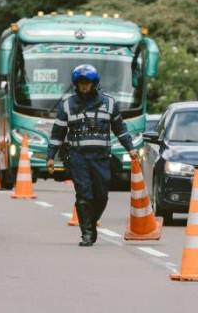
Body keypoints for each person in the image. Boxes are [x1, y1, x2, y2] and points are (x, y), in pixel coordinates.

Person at [47, 64, 137, 247]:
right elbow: (57, 134)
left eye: (87, 83)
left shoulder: (109, 103)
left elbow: (120, 129)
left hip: (101, 158)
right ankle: (86, 232)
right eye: (81, 83)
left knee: (101, 195)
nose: (84, 86)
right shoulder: (67, 105)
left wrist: (131, 148)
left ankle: (91, 222)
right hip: (78, 158)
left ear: (94, 83)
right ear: (76, 84)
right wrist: (50, 156)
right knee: (84, 195)